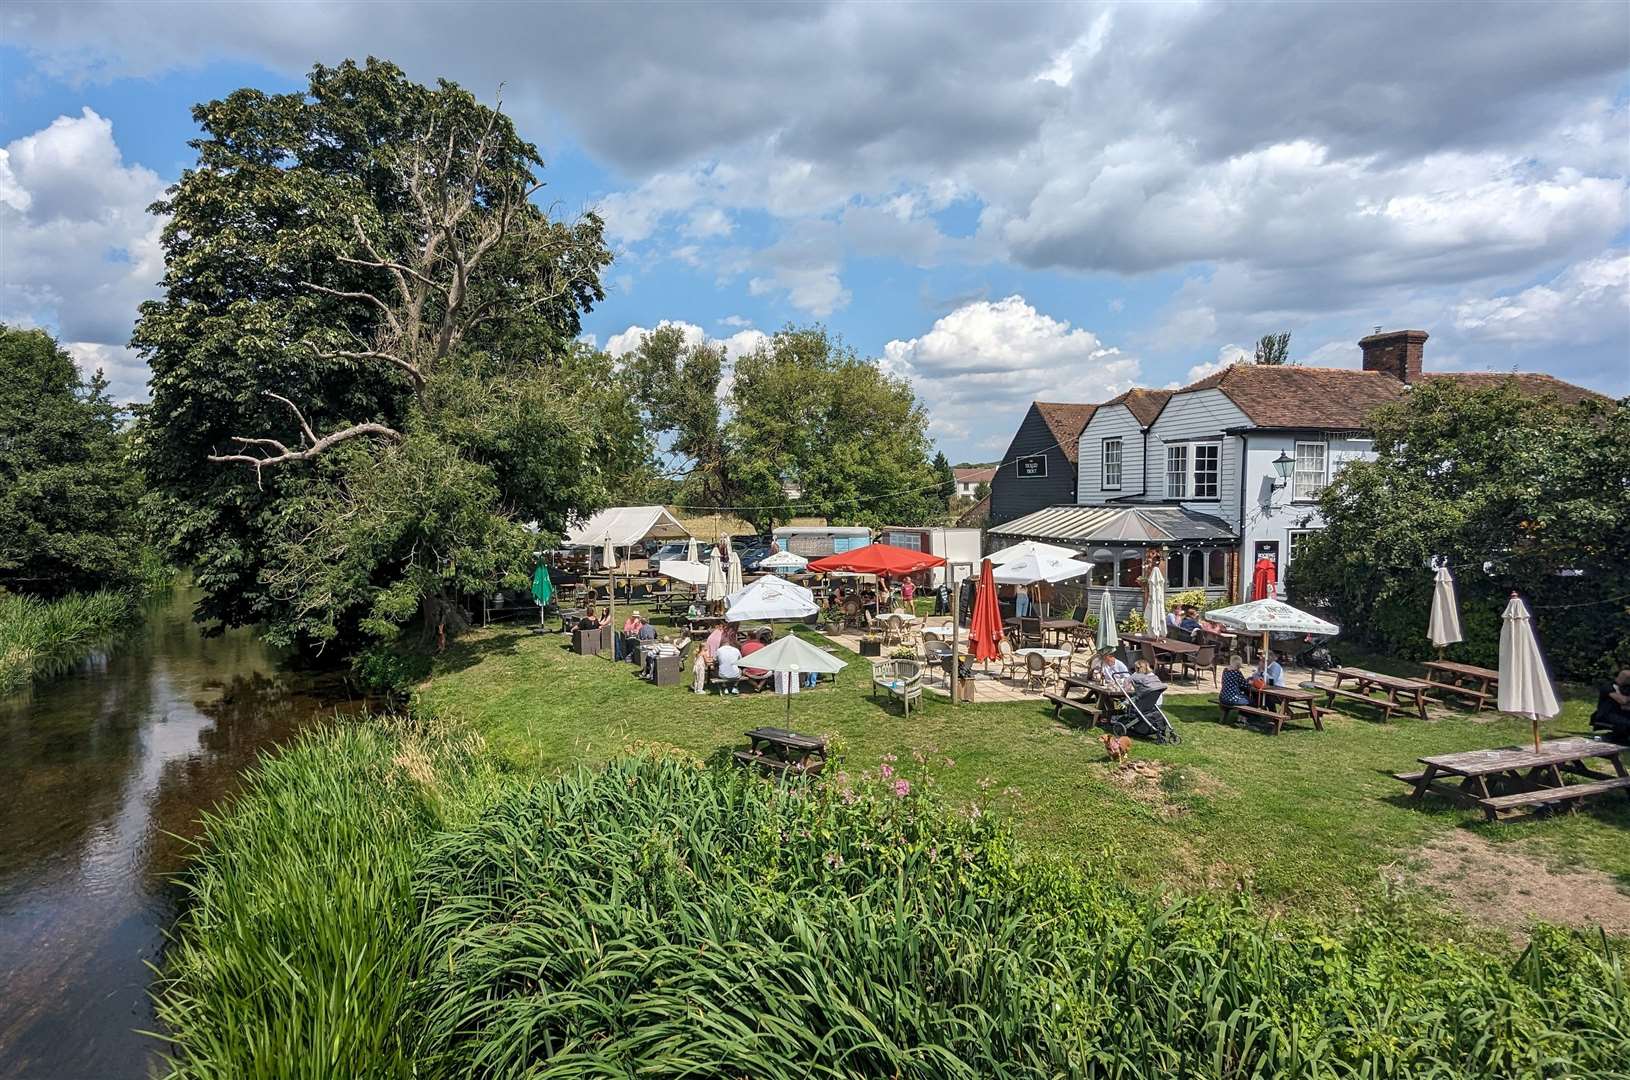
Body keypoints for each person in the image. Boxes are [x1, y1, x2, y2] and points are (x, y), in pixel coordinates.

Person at [1592, 668, 1630, 740]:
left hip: (1622, 712)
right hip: (1608, 713)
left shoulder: (1626, 688)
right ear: (1625, 679)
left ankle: (1622, 737)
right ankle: (1612, 736)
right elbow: (1622, 700)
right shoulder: (1608, 686)